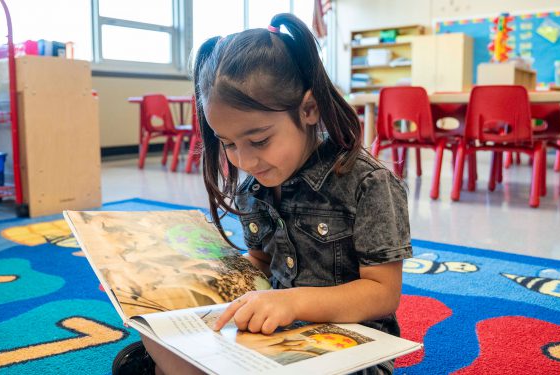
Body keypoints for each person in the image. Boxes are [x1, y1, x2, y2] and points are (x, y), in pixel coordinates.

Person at [113, 13, 412, 375]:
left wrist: (293, 302)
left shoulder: (368, 183)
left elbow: (382, 293)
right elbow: (260, 264)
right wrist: (174, 291)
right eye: (229, 145)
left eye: (258, 140)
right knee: (156, 334)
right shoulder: (253, 187)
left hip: (346, 348)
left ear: (309, 109)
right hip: (270, 338)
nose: (245, 160)